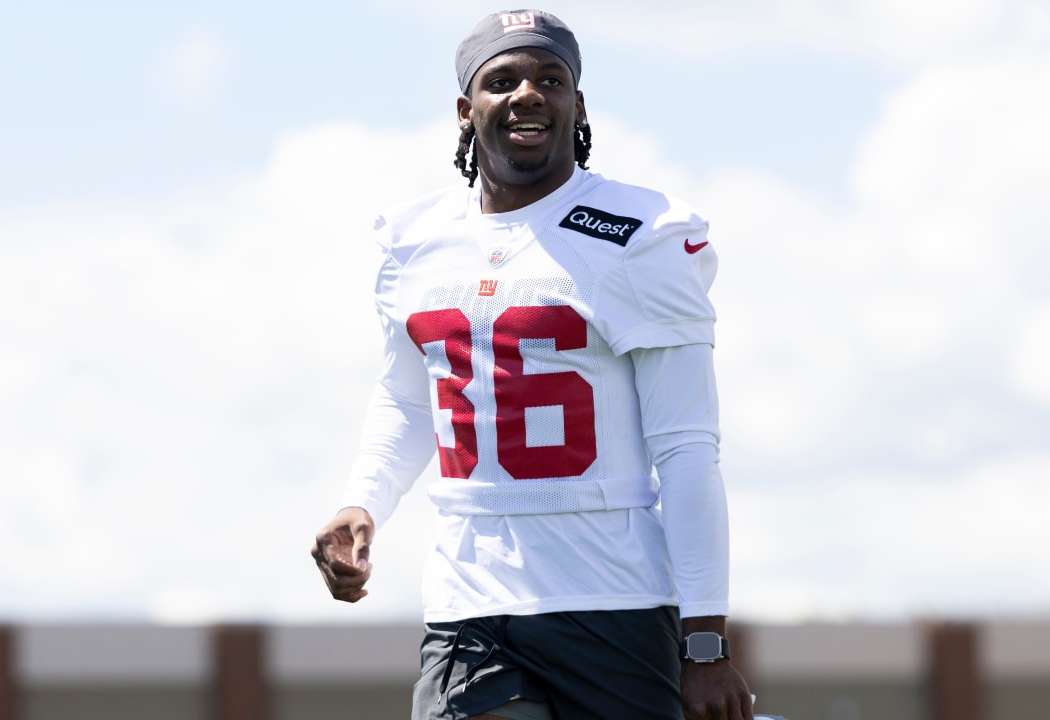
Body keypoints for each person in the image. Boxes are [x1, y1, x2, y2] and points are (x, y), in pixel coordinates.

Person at [312, 9, 753, 720]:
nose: (528, 93)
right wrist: (361, 504)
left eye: (552, 79)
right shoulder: (414, 242)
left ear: (577, 105)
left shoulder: (639, 235)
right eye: (503, 79)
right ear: (467, 110)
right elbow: (406, 400)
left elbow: (688, 450)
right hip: (469, 601)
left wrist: (705, 642)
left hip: (610, 599)